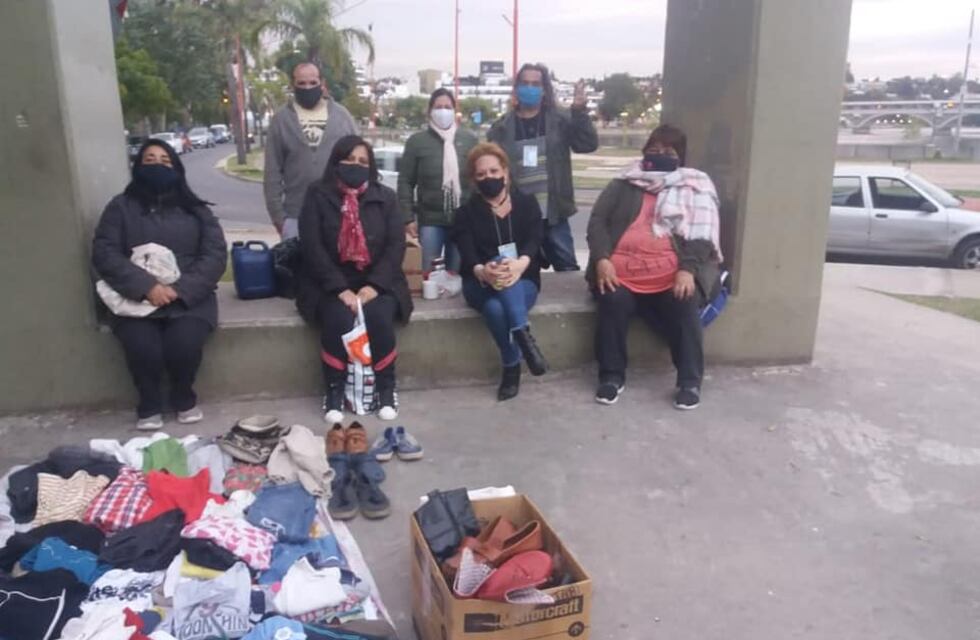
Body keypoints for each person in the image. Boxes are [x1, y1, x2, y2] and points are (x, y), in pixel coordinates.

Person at [92, 140, 227, 430]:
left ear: (177, 169)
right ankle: (149, 402)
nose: (157, 165)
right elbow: (105, 251)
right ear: (138, 166)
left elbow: (215, 254)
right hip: (136, 298)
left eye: (165, 161)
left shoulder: (196, 210)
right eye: (149, 160)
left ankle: (183, 397)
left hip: (189, 297)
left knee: (184, 344)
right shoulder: (120, 208)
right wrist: (146, 286)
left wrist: (181, 289)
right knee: (143, 346)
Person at [586, 124, 722, 410]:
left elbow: (702, 235)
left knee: (683, 303)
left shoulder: (695, 185)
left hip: (672, 276)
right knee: (612, 300)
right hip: (618, 273)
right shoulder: (623, 183)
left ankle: (689, 381)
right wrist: (602, 259)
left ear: (681, 158)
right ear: (644, 152)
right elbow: (597, 221)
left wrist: (687, 269)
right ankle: (611, 377)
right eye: (654, 150)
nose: (660, 155)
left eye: (669, 152)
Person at [297, 135, 412, 423]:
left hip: (378, 282)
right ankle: (334, 390)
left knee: (380, 317)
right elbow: (312, 246)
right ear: (336, 162)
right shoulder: (317, 195)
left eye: (362, 161)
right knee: (337, 319)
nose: (355, 165)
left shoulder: (385, 197)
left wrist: (374, 286)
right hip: (329, 283)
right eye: (348, 160)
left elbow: (396, 245)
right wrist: (340, 289)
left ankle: (386, 388)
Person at [454, 143, 548, 401]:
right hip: (480, 283)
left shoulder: (527, 204)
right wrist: (484, 270)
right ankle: (523, 338)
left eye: (494, 171)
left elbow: (535, 238)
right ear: (474, 180)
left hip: (524, 279)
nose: (489, 178)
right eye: (481, 174)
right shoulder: (465, 213)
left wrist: (520, 264)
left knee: (497, 308)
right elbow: (468, 252)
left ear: (505, 172)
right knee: (497, 266)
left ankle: (511, 365)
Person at [488, 63, 598, 272]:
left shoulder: (560, 120)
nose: (530, 88)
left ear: (544, 89)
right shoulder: (502, 127)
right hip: (517, 215)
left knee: (567, 268)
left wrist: (579, 112)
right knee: (516, 270)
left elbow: (587, 145)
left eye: (535, 84)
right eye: (525, 83)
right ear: (517, 87)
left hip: (553, 213)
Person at [264, 62, 359, 240]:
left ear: (322, 83)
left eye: (312, 82)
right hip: (295, 216)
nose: (307, 87)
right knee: (297, 267)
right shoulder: (281, 120)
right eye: (301, 83)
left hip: (338, 213)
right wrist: (279, 218)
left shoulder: (342, 116)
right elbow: (272, 173)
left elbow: (360, 160)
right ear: (293, 85)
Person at [398, 88, 478, 273]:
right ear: (430, 111)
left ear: (455, 110)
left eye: (448, 107)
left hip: (462, 220)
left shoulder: (469, 140)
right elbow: (405, 182)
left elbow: (477, 179)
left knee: (457, 275)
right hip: (430, 220)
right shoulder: (417, 142)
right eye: (438, 107)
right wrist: (407, 218)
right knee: (427, 273)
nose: (443, 111)